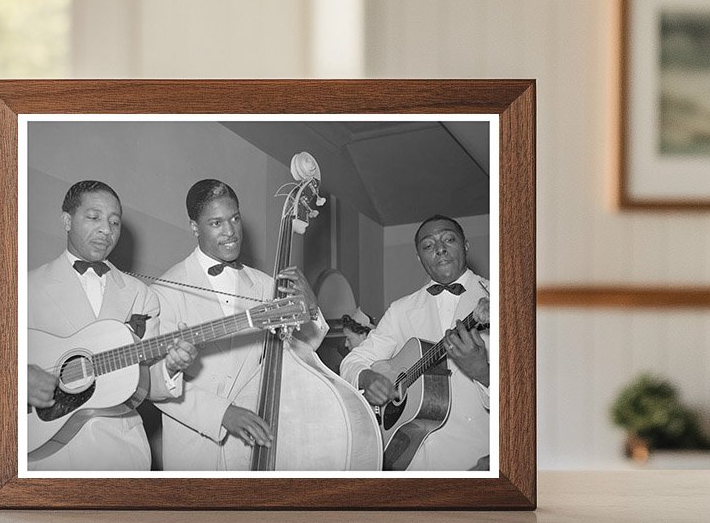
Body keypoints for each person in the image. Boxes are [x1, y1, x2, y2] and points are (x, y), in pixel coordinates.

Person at [154, 179, 325, 471]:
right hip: (195, 449)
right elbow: (156, 381)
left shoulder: (266, 284)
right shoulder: (164, 290)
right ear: (195, 227)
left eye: (235, 218)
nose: (231, 232)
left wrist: (309, 309)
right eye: (216, 223)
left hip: (254, 444)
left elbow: (298, 353)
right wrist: (223, 414)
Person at [25, 180, 197, 471]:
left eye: (114, 222)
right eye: (94, 218)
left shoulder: (141, 294)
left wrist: (171, 367)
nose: (106, 229)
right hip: (46, 454)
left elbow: (149, 383)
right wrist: (19, 378)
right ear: (67, 220)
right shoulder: (26, 286)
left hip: (121, 452)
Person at [339, 215, 490, 472]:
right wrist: (367, 379)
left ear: (465, 246)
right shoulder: (401, 310)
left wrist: (484, 373)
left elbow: (536, 392)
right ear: (419, 258)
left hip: (481, 456)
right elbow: (352, 362)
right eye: (428, 245)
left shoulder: (499, 297)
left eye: (449, 240)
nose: (440, 249)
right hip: (414, 461)